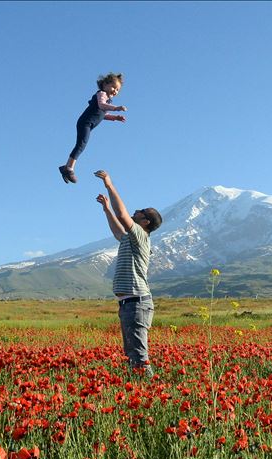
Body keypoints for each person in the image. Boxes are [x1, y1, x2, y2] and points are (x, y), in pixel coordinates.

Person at [94, 170, 163, 378]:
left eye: (142, 211)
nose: (137, 210)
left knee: (139, 356)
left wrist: (109, 185)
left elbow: (123, 216)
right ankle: (141, 387)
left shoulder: (141, 235)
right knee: (132, 355)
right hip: (129, 303)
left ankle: (150, 388)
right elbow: (118, 231)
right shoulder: (131, 239)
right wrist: (106, 210)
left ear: (145, 222)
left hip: (136, 303)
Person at [58, 73, 127, 184]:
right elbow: (101, 105)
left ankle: (66, 167)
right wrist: (116, 108)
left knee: (82, 145)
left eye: (117, 90)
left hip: (88, 125)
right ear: (104, 85)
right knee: (81, 144)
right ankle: (69, 168)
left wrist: (115, 118)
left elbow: (103, 115)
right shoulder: (101, 94)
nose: (115, 91)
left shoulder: (107, 101)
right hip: (85, 123)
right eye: (113, 87)